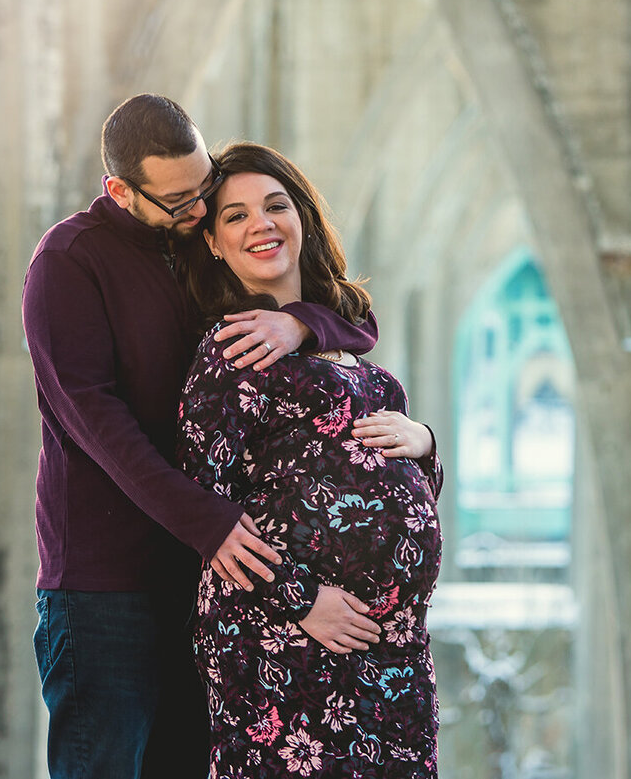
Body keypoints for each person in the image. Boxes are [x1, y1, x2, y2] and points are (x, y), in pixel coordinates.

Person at [21, 95, 379, 779]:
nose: (199, 212)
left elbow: (355, 319)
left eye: (205, 186)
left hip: (204, 579)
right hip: (105, 586)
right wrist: (209, 522)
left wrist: (302, 325)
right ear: (120, 190)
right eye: (180, 200)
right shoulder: (69, 261)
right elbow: (98, 422)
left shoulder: (197, 246)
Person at [176, 142, 443, 778]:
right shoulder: (230, 351)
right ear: (212, 242)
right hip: (288, 644)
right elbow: (204, 514)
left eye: (275, 205)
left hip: (391, 651)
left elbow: (415, 492)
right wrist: (302, 601)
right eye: (235, 216)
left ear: (303, 218)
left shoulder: (358, 358)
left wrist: (426, 443)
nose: (260, 223)